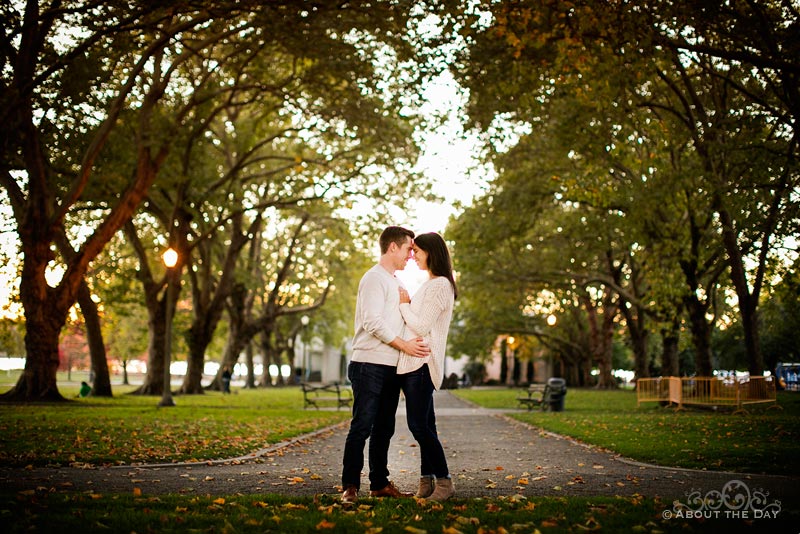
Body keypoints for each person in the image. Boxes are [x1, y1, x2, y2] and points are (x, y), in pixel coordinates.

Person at [340, 226, 432, 504]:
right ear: (393, 247)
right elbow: (371, 321)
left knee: (384, 429)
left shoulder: (396, 283)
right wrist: (404, 346)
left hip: (391, 367)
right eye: (407, 249)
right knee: (362, 426)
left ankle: (379, 483)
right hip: (368, 364)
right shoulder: (374, 279)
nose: (410, 256)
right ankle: (350, 487)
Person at [396, 232, 458, 501]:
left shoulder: (440, 285)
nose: (414, 256)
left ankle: (444, 482)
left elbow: (421, 325)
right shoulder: (430, 284)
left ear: (431, 252)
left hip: (421, 363)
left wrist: (403, 305)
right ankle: (426, 481)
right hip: (414, 362)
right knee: (426, 426)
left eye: (417, 251)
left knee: (418, 426)